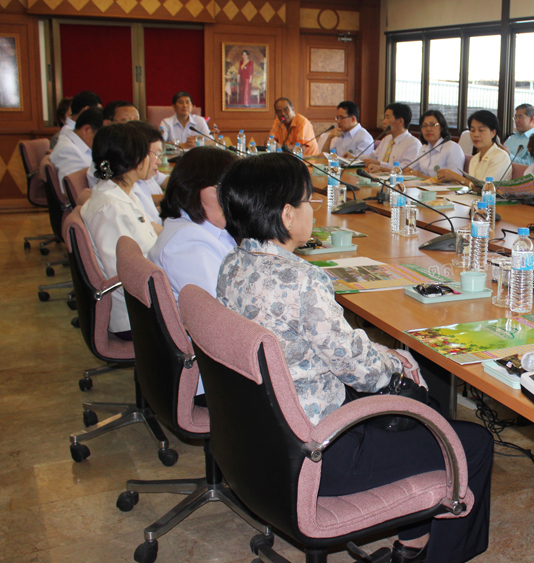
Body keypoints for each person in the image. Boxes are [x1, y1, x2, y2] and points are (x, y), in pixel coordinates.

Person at [216, 153, 493, 563]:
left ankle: (413, 538)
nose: (314, 209)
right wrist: (397, 362)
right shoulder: (301, 281)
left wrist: (383, 355)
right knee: (472, 442)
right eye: (309, 200)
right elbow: (362, 373)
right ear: (288, 216)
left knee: (423, 409)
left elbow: (333, 347)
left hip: (262, 437)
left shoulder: (233, 264)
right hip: (322, 453)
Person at [81, 123, 160, 339]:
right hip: (134, 314)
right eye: (148, 153)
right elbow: (123, 272)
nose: (152, 159)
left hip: (146, 298)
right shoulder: (110, 209)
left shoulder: (122, 194)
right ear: (136, 160)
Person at [149, 146, 237, 304]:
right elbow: (218, 310)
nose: (232, 197)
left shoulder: (193, 227)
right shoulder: (187, 243)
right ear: (193, 187)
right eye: (223, 188)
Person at [437, 110, 511, 186]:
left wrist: (456, 177)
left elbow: (485, 187)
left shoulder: (501, 156)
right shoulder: (475, 159)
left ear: (493, 133)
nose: (476, 134)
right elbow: (473, 188)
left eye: (481, 130)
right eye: (472, 130)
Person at [50, 107, 104, 187]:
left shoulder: (77, 144)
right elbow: (71, 190)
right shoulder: (68, 150)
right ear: (86, 129)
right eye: (102, 136)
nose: (103, 142)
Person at [364, 102, 421, 173]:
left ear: (400, 121)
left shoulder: (413, 143)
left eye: (387, 118)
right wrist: (355, 158)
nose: (384, 121)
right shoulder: (387, 139)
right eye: (384, 118)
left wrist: (380, 165)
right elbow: (373, 157)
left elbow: (404, 169)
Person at [408, 109, 465, 178]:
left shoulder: (452, 148)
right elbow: (409, 170)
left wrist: (422, 177)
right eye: (424, 126)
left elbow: (455, 180)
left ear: (441, 127)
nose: (428, 129)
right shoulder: (424, 148)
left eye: (433, 125)